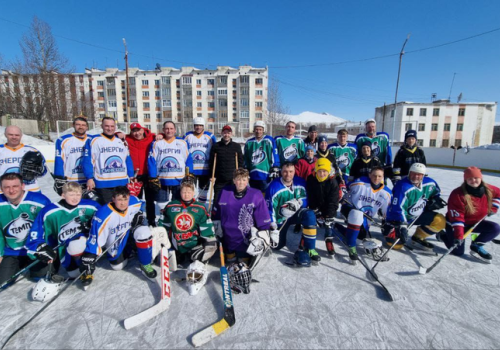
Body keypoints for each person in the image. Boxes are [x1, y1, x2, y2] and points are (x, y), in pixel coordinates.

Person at [79, 186, 156, 289]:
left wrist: (140, 215)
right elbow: (96, 238)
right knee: (117, 266)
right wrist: (91, 253)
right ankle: (132, 249)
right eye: (119, 199)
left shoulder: (134, 201)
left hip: (129, 233)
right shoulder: (103, 214)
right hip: (116, 240)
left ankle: (145, 263)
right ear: (113, 198)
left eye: (125, 199)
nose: (123, 203)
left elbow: (141, 205)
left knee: (143, 232)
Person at [26, 182, 100, 279]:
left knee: (76, 246)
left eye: (78, 194)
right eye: (71, 194)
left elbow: (104, 220)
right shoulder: (49, 211)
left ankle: (87, 263)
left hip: (86, 244)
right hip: (64, 248)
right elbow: (36, 232)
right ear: (63, 195)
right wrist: (40, 246)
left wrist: (92, 225)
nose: (75, 198)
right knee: (73, 274)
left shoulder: (91, 206)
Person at [213, 169, 271, 292]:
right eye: (238, 179)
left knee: (243, 263)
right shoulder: (224, 192)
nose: (240, 182)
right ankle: (230, 255)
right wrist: (216, 223)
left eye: (244, 180)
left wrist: (264, 233)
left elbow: (263, 217)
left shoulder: (255, 194)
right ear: (234, 180)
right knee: (230, 261)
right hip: (226, 237)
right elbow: (216, 212)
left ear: (247, 181)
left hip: (245, 239)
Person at [161, 177, 217, 295]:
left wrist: (210, 242)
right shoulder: (170, 206)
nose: (186, 194)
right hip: (177, 246)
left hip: (194, 245)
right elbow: (163, 226)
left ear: (194, 193)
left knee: (206, 251)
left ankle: (196, 258)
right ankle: (179, 255)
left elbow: (207, 229)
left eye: (189, 192)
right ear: (180, 192)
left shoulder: (200, 208)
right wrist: (161, 242)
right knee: (173, 265)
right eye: (184, 191)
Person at [0, 173, 51, 284]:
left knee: (41, 278)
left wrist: (50, 248)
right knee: (3, 282)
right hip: (12, 252)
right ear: (1, 188)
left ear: (22, 186)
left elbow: (50, 227)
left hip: (36, 250)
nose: (11, 190)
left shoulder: (40, 201)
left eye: (15, 186)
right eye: (7, 187)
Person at [265, 162, 319, 266]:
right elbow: (269, 209)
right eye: (285, 171)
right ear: (281, 172)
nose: (288, 174)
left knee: (310, 215)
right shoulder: (273, 187)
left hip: (296, 214)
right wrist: (273, 226)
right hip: (281, 218)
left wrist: (299, 202)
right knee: (276, 246)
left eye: (291, 171)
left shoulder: (301, 182)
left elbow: (307, 199)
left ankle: (310, 248)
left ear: (294, 172)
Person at [334, 167, 392, 263]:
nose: (376, 178)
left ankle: (337, 227)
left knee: (359, 239)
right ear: (369, 175)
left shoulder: (387, 193)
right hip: (350, 210)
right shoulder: (359, 183)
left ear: (383, 177)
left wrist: (388, 224)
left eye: (379, 176)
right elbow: (344, 191)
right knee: (357, 214)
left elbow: (387, 213)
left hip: (366, 220)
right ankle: (351, 248)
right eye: (374, 175)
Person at [383, 163, 446, 250]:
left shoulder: (430, 183)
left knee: (440, 221)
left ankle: (418, 237)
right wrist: (402, 227)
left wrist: (435, 200)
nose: (415, 176)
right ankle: (389, 228)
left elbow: (436, 192)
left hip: (417, 215)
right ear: (409, 173)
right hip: (397, 219)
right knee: (396, 245)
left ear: (423, 175)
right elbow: (397, 209)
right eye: (413, 173)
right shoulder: (402, 187)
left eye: (419, 174)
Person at [443, 167, 500, 262]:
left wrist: (494, 207)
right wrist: (459, 236)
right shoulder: (457, 194)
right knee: (458, 252)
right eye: (470, 178)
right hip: (456, 225)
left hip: (474, 224)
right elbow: (457, 218)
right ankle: (443, 236)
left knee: (495, 228)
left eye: (476, 178)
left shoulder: (488, 189)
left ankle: (477, 245)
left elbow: (498, 194)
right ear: (466, 180)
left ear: (480, 178)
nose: (473, 180)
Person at [83, 117, 135, 205]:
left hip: (121, 181)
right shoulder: (93, 140)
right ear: (102, 126)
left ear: (115, 126)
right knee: (107, 208)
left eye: (112, 126)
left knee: (121, 207)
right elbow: (87, 161)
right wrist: (89, 178)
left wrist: (131, 175)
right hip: (103, 182)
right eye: (107, 126)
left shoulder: (122, 141)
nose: (110, 128)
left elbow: (127, 159)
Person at [148, 121, 193, 216]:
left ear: (175, 130)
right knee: (161, 203)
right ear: (163, 130)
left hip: (178, 178)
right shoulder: (157, 143)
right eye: (167, 128)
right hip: (162, 179)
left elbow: (188, 159)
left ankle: (175, 221)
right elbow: (152, 160)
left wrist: (190, 173)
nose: (169, 131)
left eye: (171, 128)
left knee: (177, 203)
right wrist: (152, 177)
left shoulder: (182, 143)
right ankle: (163, 221)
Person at [120, 122, 159, 226]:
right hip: (135, 176)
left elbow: (162, 135)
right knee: (135, 200)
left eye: (138, 130)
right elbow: (114, 135)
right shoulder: (127, 139)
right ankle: (136, 221)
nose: (137, 133)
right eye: (134, 131)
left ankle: (151, 221)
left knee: (150, 200)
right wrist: (117, 133)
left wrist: (162, 135)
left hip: (148, 174)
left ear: (142, 130)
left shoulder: (151, 138)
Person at [305, 158, 340, 256]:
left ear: (328, 171)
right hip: (315, 206)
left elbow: (333, 200)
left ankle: (328, 240)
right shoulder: (311, 179)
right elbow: (310, 195)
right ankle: (306, 240)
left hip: (327, 207)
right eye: (320, 171)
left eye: (325, 171)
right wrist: (315, 209)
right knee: (310, 221)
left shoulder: (333, 182)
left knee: (328, 225)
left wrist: (329, 215)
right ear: (316, 170)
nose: (322, 174)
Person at [0, 125, 47, 192]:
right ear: (5, 135)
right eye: (10, 134)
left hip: (30, 190)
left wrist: (37, 170)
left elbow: (44, 171)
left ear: (21, 135)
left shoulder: (32, 151)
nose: (14, 137)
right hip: (5, 191)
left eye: (17, 135)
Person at [53, 116, 93, 194]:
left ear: (87, 127)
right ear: (73, 125)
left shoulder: (92, 139)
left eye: (83, 125)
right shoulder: (63, 140)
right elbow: (59, 160)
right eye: (78, 124)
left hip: (89, 180)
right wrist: (59, 177)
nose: (81, 127)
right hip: (71, 180)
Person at [183, 117, 217, 206]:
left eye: (200, 125)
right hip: (191, 170)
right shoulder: (187, 136)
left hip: (205, 169)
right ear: (194, 126)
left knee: (204, 190)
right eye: (196, 125)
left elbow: (215, 151)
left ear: (203, 126)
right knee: (190, 189)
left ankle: (201, 207)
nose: (198, 127)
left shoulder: (210, 136)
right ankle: (190, 207)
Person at [209, 125, 244, 206]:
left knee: (232, 198)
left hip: (232, 178)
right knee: (217, 198)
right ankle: (215, 215)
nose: (226, 135)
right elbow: (211, 162)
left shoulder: (236, 146)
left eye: (228, 133)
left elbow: (240, 161)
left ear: (231, 134)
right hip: (220, 178)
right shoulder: (216, 146)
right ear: (222, 133)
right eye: (224, 133)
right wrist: (211, 175)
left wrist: (240, 174)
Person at [243, 121, 280, 192]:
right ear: (254, 130)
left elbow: (274, 153)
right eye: (256, 129)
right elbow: (246, 157)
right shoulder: (249, 142)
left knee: (265, 196)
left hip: (265, 174)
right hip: (253, 174)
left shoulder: (269, 140)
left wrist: (275, 166)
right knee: (254, 196)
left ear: (263, 130)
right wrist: (245, 167)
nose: (258, 131)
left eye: (260, 129)